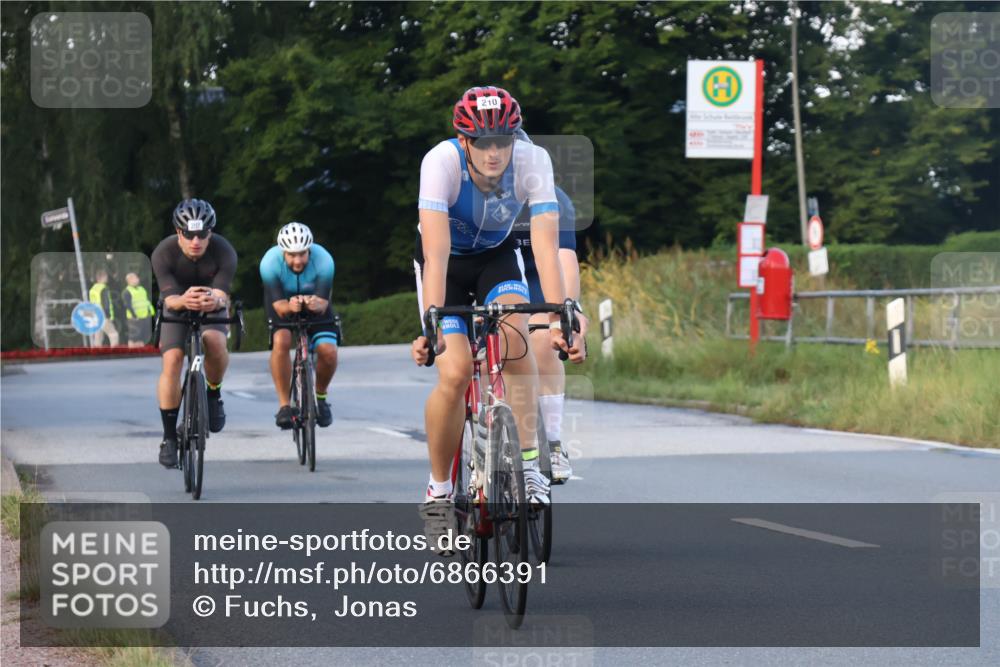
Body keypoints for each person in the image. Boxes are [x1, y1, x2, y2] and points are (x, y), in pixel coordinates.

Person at [410, 86, 585, 551]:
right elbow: (437, 250)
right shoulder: (440, 163)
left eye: (502, 142)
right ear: (464, 141)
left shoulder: (533, 161)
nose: (494, 153)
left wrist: (560, 313)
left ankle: (529, 466)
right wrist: (432, 322)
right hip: (445, 264)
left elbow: (547, 249)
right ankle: (439, 491)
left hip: (495, 258)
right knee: (455, 370)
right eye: (483, 143)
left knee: (516, 340)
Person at [511, 185, 589, 484]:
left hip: (540, 283)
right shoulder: (475, 197)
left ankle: (553, 443)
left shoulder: (552, 199)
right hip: (490, 280)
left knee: (544, 338)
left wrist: (565, 313)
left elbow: (565, 261)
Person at [151, 198, 237, 468]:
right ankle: (169, 437)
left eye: (202, 234)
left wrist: (216, 299)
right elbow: (169, 299)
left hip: (211, 303)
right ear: (179, 233)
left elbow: (223, 293)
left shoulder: (224, 251)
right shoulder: (163, 252)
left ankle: (214, 393)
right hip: (178, 305)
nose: (196, 240)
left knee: (214, 340)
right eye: (189, 234)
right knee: (173, 360)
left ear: (210, 232)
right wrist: (183, 300)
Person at [259, 222, 338, 430]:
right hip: (282, 303)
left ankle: (320, 398)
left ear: (309, 250)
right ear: (283, 252)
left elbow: (322, 303)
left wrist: (313, 303)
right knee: (281, 340)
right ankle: (285, 405)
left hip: (315, 304)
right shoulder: (269, 263)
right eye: (291, 255)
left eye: (302, 254)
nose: (297, 260)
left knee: (328, 351)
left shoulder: (324, 260)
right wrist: (291, 305)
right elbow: (280, 307)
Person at [122, 272, 156, 348]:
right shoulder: (127, 292)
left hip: (145, 316)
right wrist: (134, 315)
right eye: (135, 278)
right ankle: (132, 351)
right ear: (130, 280)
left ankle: (140, 351)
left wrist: (151, 312)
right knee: (134, 336)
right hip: (134, 318)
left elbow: (146, 302)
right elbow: (128, 305)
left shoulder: (142, 289)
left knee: (142, 335)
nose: (138, 279)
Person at [89, 269, 120, 347]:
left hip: (95, 315)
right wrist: (108, 315)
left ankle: (96, 354)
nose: (107, 278)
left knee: (98, 337)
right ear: (101, 278)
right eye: (105, 277)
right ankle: (115, 354)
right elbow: (105, 302)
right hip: (103, 314)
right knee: (113, 334)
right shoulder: (103, 288)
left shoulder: (93, 289)